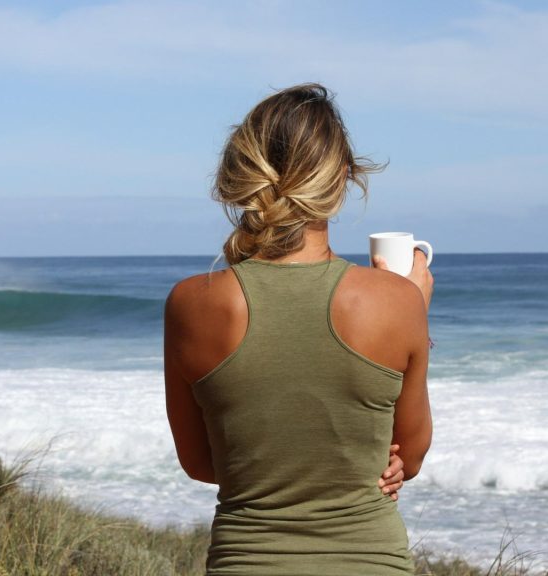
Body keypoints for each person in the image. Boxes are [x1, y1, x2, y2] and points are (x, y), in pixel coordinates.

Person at [164, 83, 433, 575]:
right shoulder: (398, 300)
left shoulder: (191, 302)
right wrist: (413, 309)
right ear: (344, 178)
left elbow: (202, 464)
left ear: (241, 172)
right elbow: (407, 460)